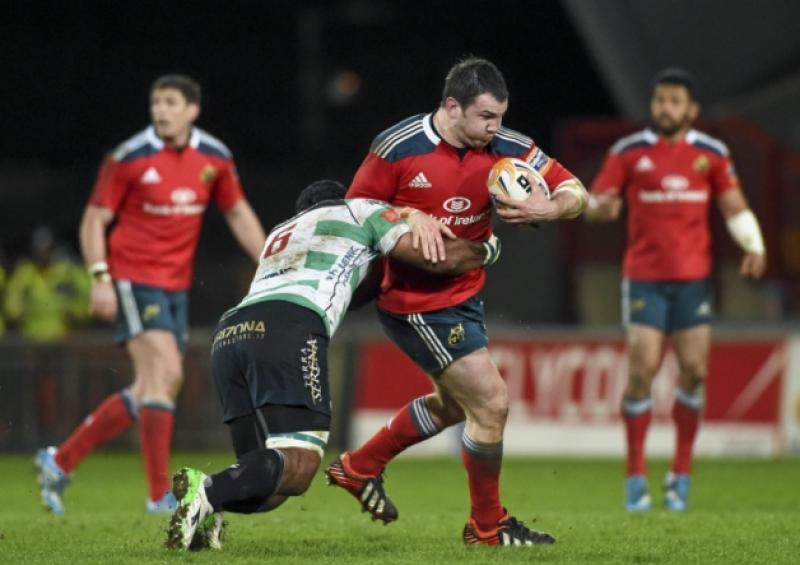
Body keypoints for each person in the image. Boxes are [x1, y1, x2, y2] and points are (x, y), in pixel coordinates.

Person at [324, 57, 587, 546]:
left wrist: (548, 206)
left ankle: (360, 466)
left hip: (464, 293)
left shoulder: (505, 148)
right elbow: (355, 212)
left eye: (500, 117)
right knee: (491, 405)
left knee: (453, 405)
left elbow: (576, 189)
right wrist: (405, 212)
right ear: (452, 106)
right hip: (414, 299)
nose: (495, 128)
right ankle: (487, 527)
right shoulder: (398, 146)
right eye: (486, 117)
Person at [164, 179, 502, 550]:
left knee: (266, 477)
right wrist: (487, 248)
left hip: (230, 332)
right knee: (300, 464)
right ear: (342, 197)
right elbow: (432, 255)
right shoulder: (362, 209)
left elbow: (354, 286)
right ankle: (208, 489)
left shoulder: (282, 231)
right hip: (290, 325)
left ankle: (206, 509)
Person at [35, 74, 266, 514]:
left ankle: (60, 461)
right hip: (132, 278)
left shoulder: (214, 157)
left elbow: (236, 210)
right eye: (156, 102)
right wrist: (100, 276)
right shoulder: (128, 158)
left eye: (170, 102)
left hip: (174, 284)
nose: (161, 110)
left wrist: (269, 259)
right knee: (165, 371)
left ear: (192, 110)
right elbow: (93, 220)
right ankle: (158, 494)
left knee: (151, 387)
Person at [586, 68, 767, 512]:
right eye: (660, 100)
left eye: (674, 101)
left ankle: (680, 475)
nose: (666, 107)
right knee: (643, 369)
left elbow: (735, 206)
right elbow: (597, 204)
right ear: (653, 106)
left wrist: (754, 245)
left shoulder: (712, 154)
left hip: (692, 281)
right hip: (645, 278)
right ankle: (634, 478)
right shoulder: (628, 152)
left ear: (691, 110)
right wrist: (598, 208)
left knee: (695, 373)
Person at [4, 226, 91, 341]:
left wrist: (76, 312)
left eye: (46, 249)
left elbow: (87, 294)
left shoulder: (67, 271)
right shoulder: (26, 271)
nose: (42, 254)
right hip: (31, 336)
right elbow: (12, 300)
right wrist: (20, 313)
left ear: (53, 249)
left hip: (62, 336)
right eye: (38, 250)